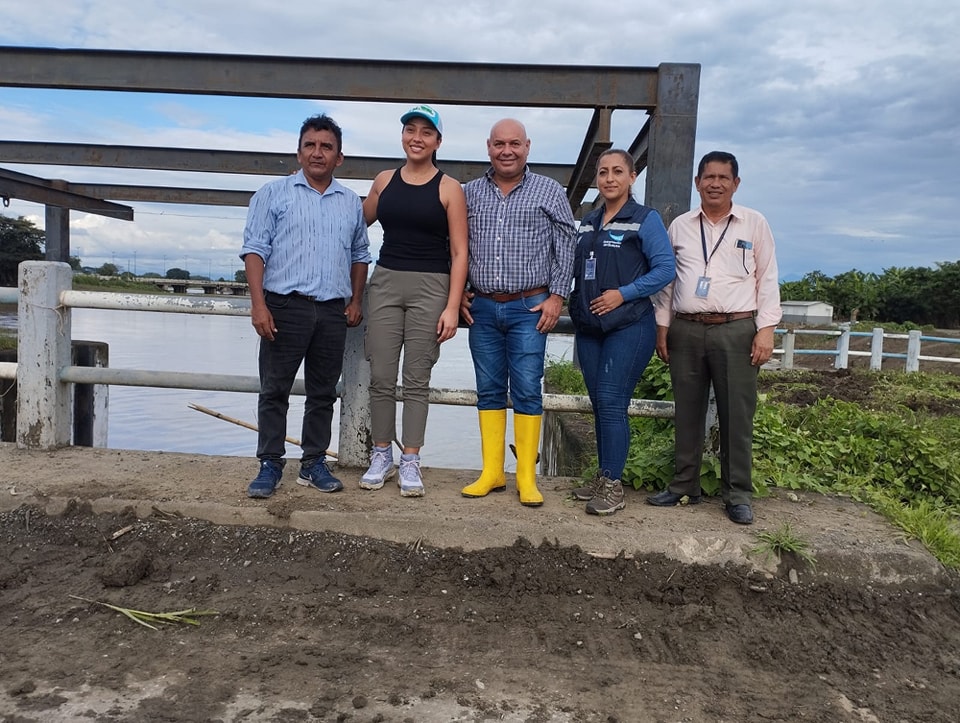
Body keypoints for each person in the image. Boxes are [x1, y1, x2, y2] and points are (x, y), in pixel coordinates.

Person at [240, 113, 371, 499]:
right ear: (298, 153)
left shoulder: (350, 203)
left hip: (332, 311)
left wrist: (356, 300)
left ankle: (313, 463)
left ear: (339, 157)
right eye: (310, 145)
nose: (317, 153)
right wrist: (259, 305)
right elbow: (254, 251)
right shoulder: (272, 194)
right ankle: (270, 463)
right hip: (284, 306)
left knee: (323, 392)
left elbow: (360, 254)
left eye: (326, 147)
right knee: (274, 390)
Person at [648, 150, 781, 524]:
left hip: (736, 328)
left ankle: (737, 494)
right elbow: (667, 282)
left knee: (736, 414)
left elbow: (768, 277)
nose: (715, 184)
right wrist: (663, 327)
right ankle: (684, 484)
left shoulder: (754, 223)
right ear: (697, 183)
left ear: (736, 183)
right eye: (709, 177)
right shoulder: (680, 226)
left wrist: (766, 330)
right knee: (687, 410)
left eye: (723, 178)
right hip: (686, 327)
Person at [459, 118, 576, 507]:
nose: (506, 151)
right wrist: (457, 293)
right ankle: (492, 471)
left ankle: (526, 476)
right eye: (499, 144)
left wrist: (558, 295)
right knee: (489, 388)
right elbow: (454, 244)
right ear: (488, 147)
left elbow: (566, 243)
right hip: (483, 306)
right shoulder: (469, 193)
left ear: (527, 146)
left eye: (514, 143)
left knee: (527, 387)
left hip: (530, 305)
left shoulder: (549, 190)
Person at [359, 104, 468, 497]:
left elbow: (460, 252)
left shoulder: (449, 187)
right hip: (385, 282)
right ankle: (381, 455)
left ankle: (410, 460)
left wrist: (452, 306)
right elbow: (354, 221)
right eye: (410, 130)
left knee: (417, 379)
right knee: (381, 375)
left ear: (438, 141)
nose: (416, 138)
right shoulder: (384, 181)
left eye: (426, 132)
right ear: (403, 136)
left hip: (431, 285)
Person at [568, 149, 676, 516]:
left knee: (612, 401)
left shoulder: (645, 219)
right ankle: (603, 476)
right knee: (600, 404)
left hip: (629, 325)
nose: (609, 178)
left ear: (632, 177)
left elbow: (665, 269)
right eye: (603, 172)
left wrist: (623, 294)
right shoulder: (589, 221)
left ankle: (614, 487)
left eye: (617, 171)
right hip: (590, 328)